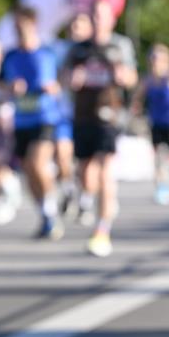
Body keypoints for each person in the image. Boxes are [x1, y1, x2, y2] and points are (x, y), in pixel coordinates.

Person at [62, 0, 137, 257]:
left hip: (110, 116)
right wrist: (72, 79)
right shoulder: (78, 49)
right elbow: (64, 77)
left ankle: (102, 230)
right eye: (93, 15)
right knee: (86, 174)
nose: (97, 20)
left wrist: (122, 75)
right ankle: (96, 202)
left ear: (111, 20)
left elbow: (132, 77)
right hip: (83, 116)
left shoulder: (120, 45)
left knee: (105, 171)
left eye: (102, 16)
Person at [0, 5, 63, 239]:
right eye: (15, 25)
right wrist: (10, 87)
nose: (18, 29)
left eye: (22, 24)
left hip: (45, 118)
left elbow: (63, 81)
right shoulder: (10, 56)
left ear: (33, 25)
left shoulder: (49, 53)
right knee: (28, 170)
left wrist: (53, 88)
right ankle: (45, 214)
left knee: (37, 164)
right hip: (21, 120)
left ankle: (51, 207)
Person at [133, 43, 169, 206]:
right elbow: (137, 96)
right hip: (156, 122)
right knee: (158, 157)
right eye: (154, 59)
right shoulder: (148, 80)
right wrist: (136, 106)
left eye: (160, 59)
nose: (157, 63)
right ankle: (162, 187)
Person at [53, 11, 93, 218]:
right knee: (62, 154)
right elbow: (54, 79)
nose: (76, 28)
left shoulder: (95, 50)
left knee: (86, 164)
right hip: (65, 113)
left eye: (81, 23)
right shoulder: (60, 50)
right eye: (73, 23)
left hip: (89, 114)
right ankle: (68, 189)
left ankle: (85, 199)